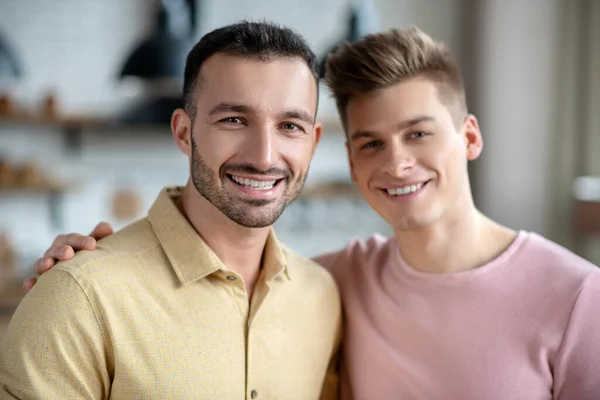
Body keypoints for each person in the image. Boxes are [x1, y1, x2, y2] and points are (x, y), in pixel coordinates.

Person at [19, 27, 600, 400]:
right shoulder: (339, 282)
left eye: (419, 134)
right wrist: (79, 276)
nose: (397, 164)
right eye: (232, 119)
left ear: (469, 137)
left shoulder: (579, 298)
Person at [0, 21, 342, 400]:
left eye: (290, 125)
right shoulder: (78, 298)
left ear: (313, 142)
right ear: (183, 132)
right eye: (233, 120)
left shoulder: (322, 296)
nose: (263, 156)